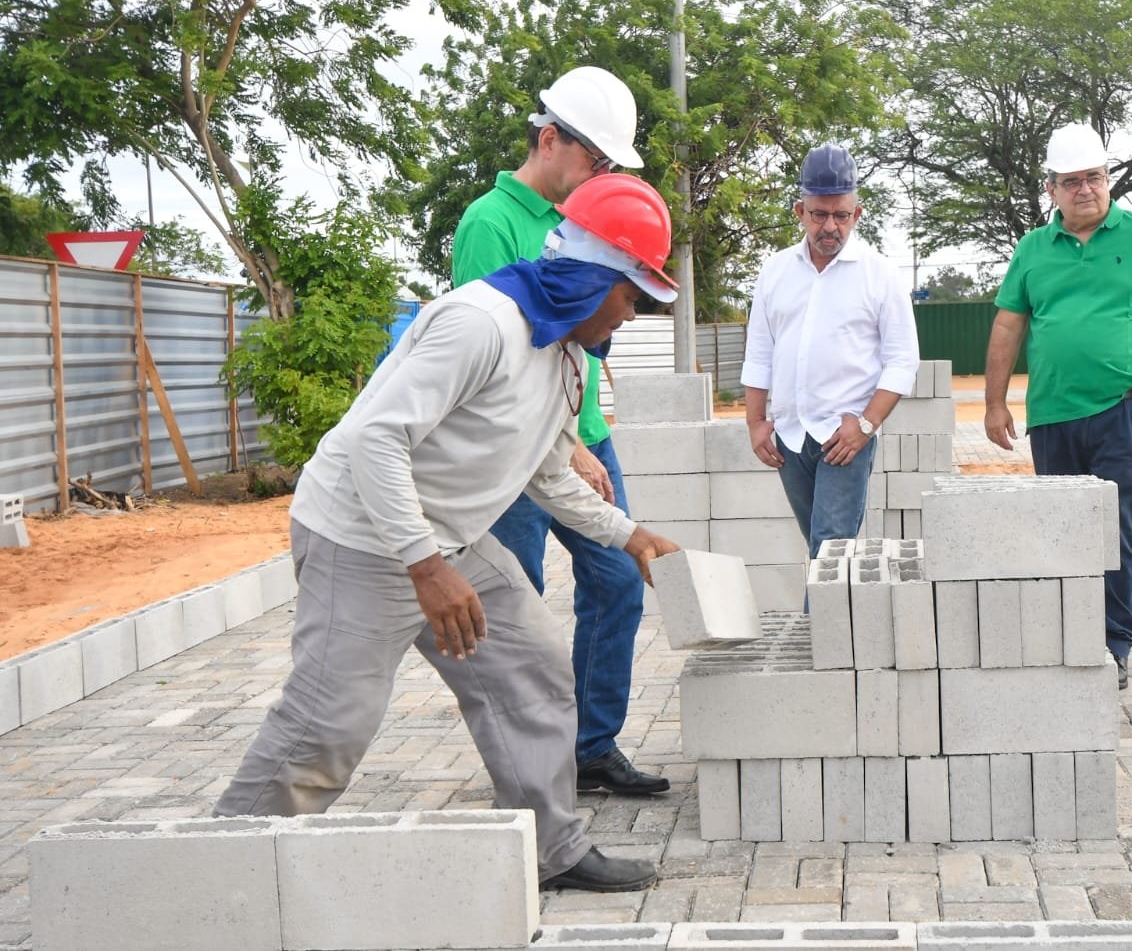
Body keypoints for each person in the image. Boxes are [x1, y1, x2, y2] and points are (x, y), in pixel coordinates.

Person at [215, 173, 682, 894]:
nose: (630, 315)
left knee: (531, 670)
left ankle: (550, 850)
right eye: (631, 296)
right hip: (361, 537)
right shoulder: (481, 322)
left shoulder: (565, 358)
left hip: (447, 539)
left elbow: (551, 472)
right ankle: (220, 870)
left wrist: (628, 534)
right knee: (327, 729)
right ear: (596, 277)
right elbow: (375, 439)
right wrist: (426, 566)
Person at [451, 66, 668, 796]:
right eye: (596, 161)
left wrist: (584, 435)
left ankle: (588, 747)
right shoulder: (490, 223)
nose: (601, 176)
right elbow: (502, 360)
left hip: (584, 431)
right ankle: (525, 758)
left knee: (617, 581)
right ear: (550, 140)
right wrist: (565, 449)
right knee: (516, 601)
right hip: (521, 447)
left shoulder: (584, 216)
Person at [984, 123, 1132, 691]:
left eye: (1095, 177)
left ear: (1107, 181)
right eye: (1071, 181)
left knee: (1116, 529)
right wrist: (994, 402)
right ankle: (1068, 635)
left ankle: (1113, 644)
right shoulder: (1032, 249)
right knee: (1060, 531)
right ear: (1052, 190)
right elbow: (1009, 324)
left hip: (1125, 412)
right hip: (1054, 414)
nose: (1085, 189)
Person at [742, 143, 921, 556]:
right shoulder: (775, 271)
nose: (830, 227)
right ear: (799, 212)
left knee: (830, 549)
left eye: (841, 216)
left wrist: (866, 425)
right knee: (822, 553)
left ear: (857, 215)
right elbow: (760, 353)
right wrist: (755, 421)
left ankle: (821, 623)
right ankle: (840, 621)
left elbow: (901, 360)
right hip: (788, 436)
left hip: (844, 437)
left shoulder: (880, 276)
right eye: (819, 214)